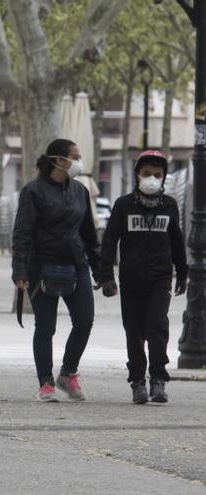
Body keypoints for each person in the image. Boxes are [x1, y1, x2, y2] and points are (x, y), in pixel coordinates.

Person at [12, 139, 100, 402]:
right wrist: (20, 271)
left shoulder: (80, 191)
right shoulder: (33, 192)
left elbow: (89, 234)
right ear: (58, 160)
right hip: (42, 267)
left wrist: (101, 272)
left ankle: (68, 373)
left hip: (76, 265)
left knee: (84, 321)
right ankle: (46, 383)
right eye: (75, 156)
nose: (79, 161)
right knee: (46, 326)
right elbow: (22, 233)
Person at [98, 150, 187, 404]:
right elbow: (109, 241)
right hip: (131, 279)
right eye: (146, 173)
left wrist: (182, 272)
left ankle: (158, 380)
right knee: (134, 331)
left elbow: (176, 240)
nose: (151, 178)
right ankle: (137, 382)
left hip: (160, 278)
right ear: (137, 175)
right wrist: (106, 277)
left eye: (157, 175)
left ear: (163, 178)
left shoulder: (169, 205)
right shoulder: (123, 205)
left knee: (158, 328)